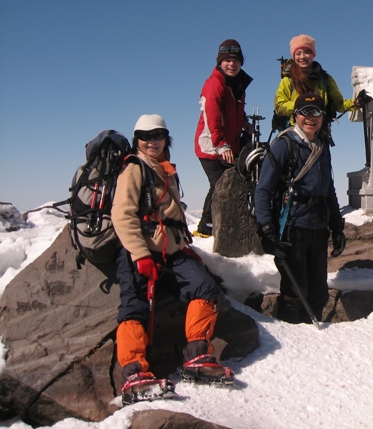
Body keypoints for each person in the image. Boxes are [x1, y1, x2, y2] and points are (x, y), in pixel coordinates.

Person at [112, 114, 232, 404]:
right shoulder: (134, 168)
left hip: (172, 254)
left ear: (166, 138)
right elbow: (122, 214)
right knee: (134, 306)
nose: (152, 141)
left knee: (204, 286)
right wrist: (140, 255)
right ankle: (135, 373)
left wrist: (183, 246)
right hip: (139, 252)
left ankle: (197, 357)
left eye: (158, 135)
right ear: (137, 140)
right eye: (145, 136)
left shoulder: (165, 169)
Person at [254, 92, 346, 324]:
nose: (310, 118)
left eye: (316, 112)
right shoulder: (284, 145)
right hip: (292, 228)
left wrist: (337, 226)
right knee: (295, 293)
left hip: (318, 227)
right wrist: (266, 227)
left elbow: (329, 189)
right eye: (305, 112)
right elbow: (263, 189)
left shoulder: (322, 146)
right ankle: (291, 342)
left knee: (318, 294)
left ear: (323, 117)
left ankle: (309, 342)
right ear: (296, 115)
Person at [194, 39, 253, 237]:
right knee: (218, 184)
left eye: (236, 60)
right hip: (211, 147)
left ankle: (219, 222)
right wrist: (221, 145)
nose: (232, 64)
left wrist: (245, 123)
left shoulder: (236, 85)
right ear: (220, 62)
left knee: (229, 182)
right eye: (227, 60)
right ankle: (206, 226)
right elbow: (213, 118)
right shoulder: (214, 85)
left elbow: (235, 112)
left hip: (227, 145)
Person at [274, 34, 370, 143]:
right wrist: (302, 105)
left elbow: (338, 104)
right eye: (298, 53)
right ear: (293, 56)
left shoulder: (326, 79)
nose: (302, 57)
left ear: (313, 54)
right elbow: (279, 106)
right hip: (294, 135)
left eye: (307, 52)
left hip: (319, 134)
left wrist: (356, 103)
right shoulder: (288, 81)